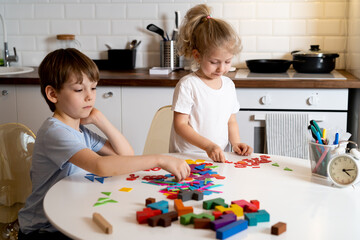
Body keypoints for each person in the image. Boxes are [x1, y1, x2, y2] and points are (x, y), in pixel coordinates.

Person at [18, 48, 190, 240]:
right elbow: (100, 166)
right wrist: (159, 159)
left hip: (68, 218)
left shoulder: (81, 132)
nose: (89, 96)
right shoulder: (55, 132)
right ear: (53, 94)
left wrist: (101, 120)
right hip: (43, 229)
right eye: (78, 89)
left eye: (93, 88)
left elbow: (126, 156)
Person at [169, 4, 253, 163]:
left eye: (227, 61)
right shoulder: (188, 85)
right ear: (197, 56)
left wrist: (236, 143)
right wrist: (208, 146)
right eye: (214, 62)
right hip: (187, 158)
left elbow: (231, 120)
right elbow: (180, 125)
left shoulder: (228, 86)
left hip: (217, 157)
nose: (222, 68)